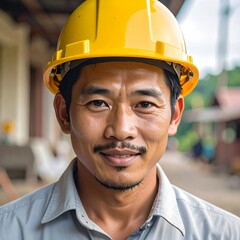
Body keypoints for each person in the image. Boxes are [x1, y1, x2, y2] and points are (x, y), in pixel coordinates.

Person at [0, 0, 239, 239]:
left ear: (175, 115)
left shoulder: (223, 234)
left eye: (145, 104)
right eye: (98, 103)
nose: (122, 130)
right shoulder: (9, 230)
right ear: (64, 114)